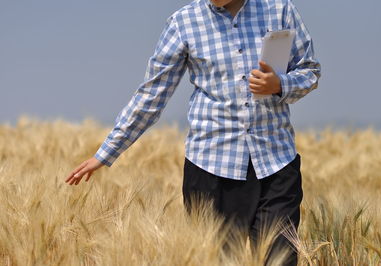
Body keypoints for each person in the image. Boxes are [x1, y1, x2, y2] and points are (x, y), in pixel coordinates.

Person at [65, 0, 321, 264]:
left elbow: (310, 71)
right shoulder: (183, 23)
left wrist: (280, 84)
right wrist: (106, 152)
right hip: (211, 170)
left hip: (276, 164)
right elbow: (152, 95)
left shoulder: (279, 9)